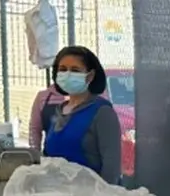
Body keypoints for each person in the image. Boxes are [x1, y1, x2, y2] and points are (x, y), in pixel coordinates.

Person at [43, 46, 123, 184]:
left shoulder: (102, 112)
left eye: (75, 70)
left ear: (90, 76)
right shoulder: (58, 111)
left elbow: (112, 166)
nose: (67, 74)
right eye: (62, 69)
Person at [28, 82, 66, 151]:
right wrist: (35, 153)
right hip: (51, 156)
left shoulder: (86, 98)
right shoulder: (43, 96)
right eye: (63, 70)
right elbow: (35, 128)